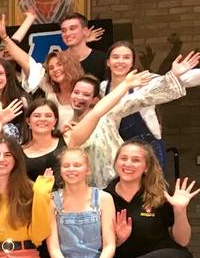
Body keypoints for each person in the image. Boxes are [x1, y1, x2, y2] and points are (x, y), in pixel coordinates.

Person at [69, 53, 198, 188]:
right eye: (76, 92)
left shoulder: (107, 114)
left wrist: (172, 76)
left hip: (118, 184)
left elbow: (140, 98)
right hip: (86, 190)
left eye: (86, 94)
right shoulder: (66, 125)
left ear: (95, 99)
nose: (79, 97)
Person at [101, 41, 200, 170]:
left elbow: (176, 81)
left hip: (148, 147)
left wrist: (176, 74)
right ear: (108, 62)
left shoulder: (144, 80)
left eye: (126, 57)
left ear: (132, 63)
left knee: (154, 188)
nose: (120, 61)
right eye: (115, 57)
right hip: (116, 149)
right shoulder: (102, 88)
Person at [0, 15, 84, 128]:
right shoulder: (49, 88)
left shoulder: (83, 89)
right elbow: (28, 63)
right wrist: (5, 38)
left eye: (59, 65)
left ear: (70, 66)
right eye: (51, 68)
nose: (55, 70)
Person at [60, 13, 107, 81]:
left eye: (72, 28)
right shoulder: (58, 60)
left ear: (85, 30)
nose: (67, 34)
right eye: (63, 30)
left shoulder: (102, 59)